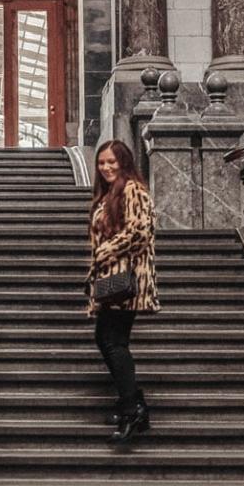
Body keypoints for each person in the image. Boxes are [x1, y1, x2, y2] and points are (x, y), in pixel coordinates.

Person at [85, 138, 157, 441]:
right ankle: (134, 402)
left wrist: (105, 252)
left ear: (124, 162)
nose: (106, 167)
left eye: (112, 162)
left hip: (125, 279)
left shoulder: (132, 190)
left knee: (112, 341)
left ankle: (132, 408)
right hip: (112, 278)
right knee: (108, 339)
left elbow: (141, 229)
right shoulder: (108, 195)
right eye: (102, 163)